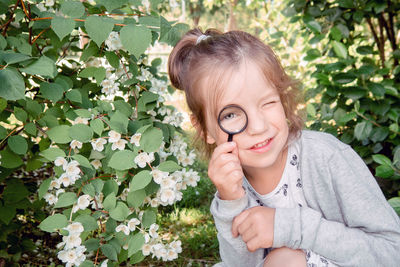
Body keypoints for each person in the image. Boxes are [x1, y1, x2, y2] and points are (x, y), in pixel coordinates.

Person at [167, 28, 400, 267]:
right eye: (231, 115)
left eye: (267, 102)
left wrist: (290, 227)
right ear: (205, 129)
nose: (257, 126)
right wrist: (231, 201)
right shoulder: (233, 182)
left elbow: (392, 253)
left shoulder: (326, 158)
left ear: (282, 99)